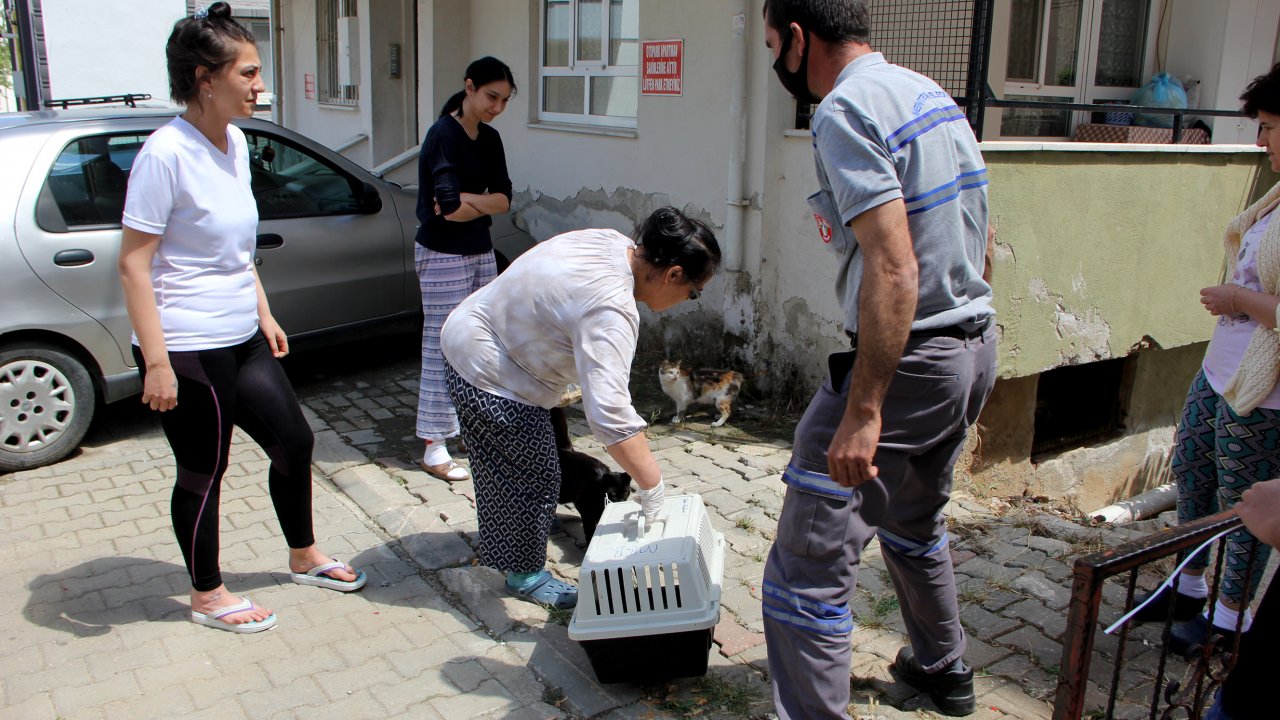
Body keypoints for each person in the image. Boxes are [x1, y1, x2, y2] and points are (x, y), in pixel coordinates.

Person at [760, 1, 997, 716]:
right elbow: (982, 234)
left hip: (912, 361)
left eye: (773, 45)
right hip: (972, 346)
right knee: (913, 524)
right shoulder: (929, 94)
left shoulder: (842, 111)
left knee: (805, 568)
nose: (776, 63)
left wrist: (864, 410)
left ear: (800, 38)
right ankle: (942, 668)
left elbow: (893, 270)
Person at [118, 2, 365, 635]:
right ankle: (207, 594)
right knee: (204, 469)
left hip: (242, 334)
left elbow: (235, 247)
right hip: (190, 343)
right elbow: (134, 267)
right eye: (249, 73)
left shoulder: (233, 142)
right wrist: (157, 363)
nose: (263, 86)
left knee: (296, 442)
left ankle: (303, 552)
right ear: (206, 78)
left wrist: (264, 310)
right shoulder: (163, 154)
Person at [440, 207, 720, 608]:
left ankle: (527, 524)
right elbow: (610, 416)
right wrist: (653, 486)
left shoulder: (612, 242)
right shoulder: (613, 310)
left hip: (482, 333)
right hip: (490, 367)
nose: (686, 301)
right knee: (531, 475)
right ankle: (525, 575)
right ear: (673, 273)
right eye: (692, 292)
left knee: (532, 460)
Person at [1131, 62, 1280, 660]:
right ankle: (1187, 589)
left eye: (1270, 126)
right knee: (1191, 471)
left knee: (1247, 505)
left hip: (1264, 391)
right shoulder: (1276, 194)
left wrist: (1241, 300)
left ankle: (1230, 621)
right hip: (1222, 371)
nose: (1261, 139)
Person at [413, 56, 515, 483]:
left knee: (481, 342)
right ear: (469, 87)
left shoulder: (489, 139)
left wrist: (468, 202)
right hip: (442, 253)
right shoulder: (442, 135)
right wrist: (477, 202)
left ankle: (472, 431)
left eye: (505, 100)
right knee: (443, 343)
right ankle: (433, 444)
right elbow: (446, 210)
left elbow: (505, 200)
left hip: (479, 251)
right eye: (492, 96)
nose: (496, 106)